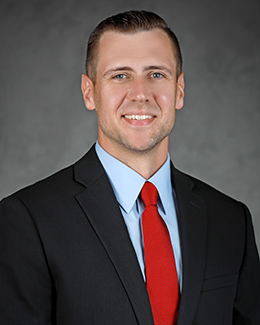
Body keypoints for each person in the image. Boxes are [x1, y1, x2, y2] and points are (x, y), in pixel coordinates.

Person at [0, 10, 259, 325]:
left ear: (179, 90)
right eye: (120, 75)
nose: (140, 94)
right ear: (89, 92)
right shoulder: (27, 220)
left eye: (156, 74)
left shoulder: (232, 221)